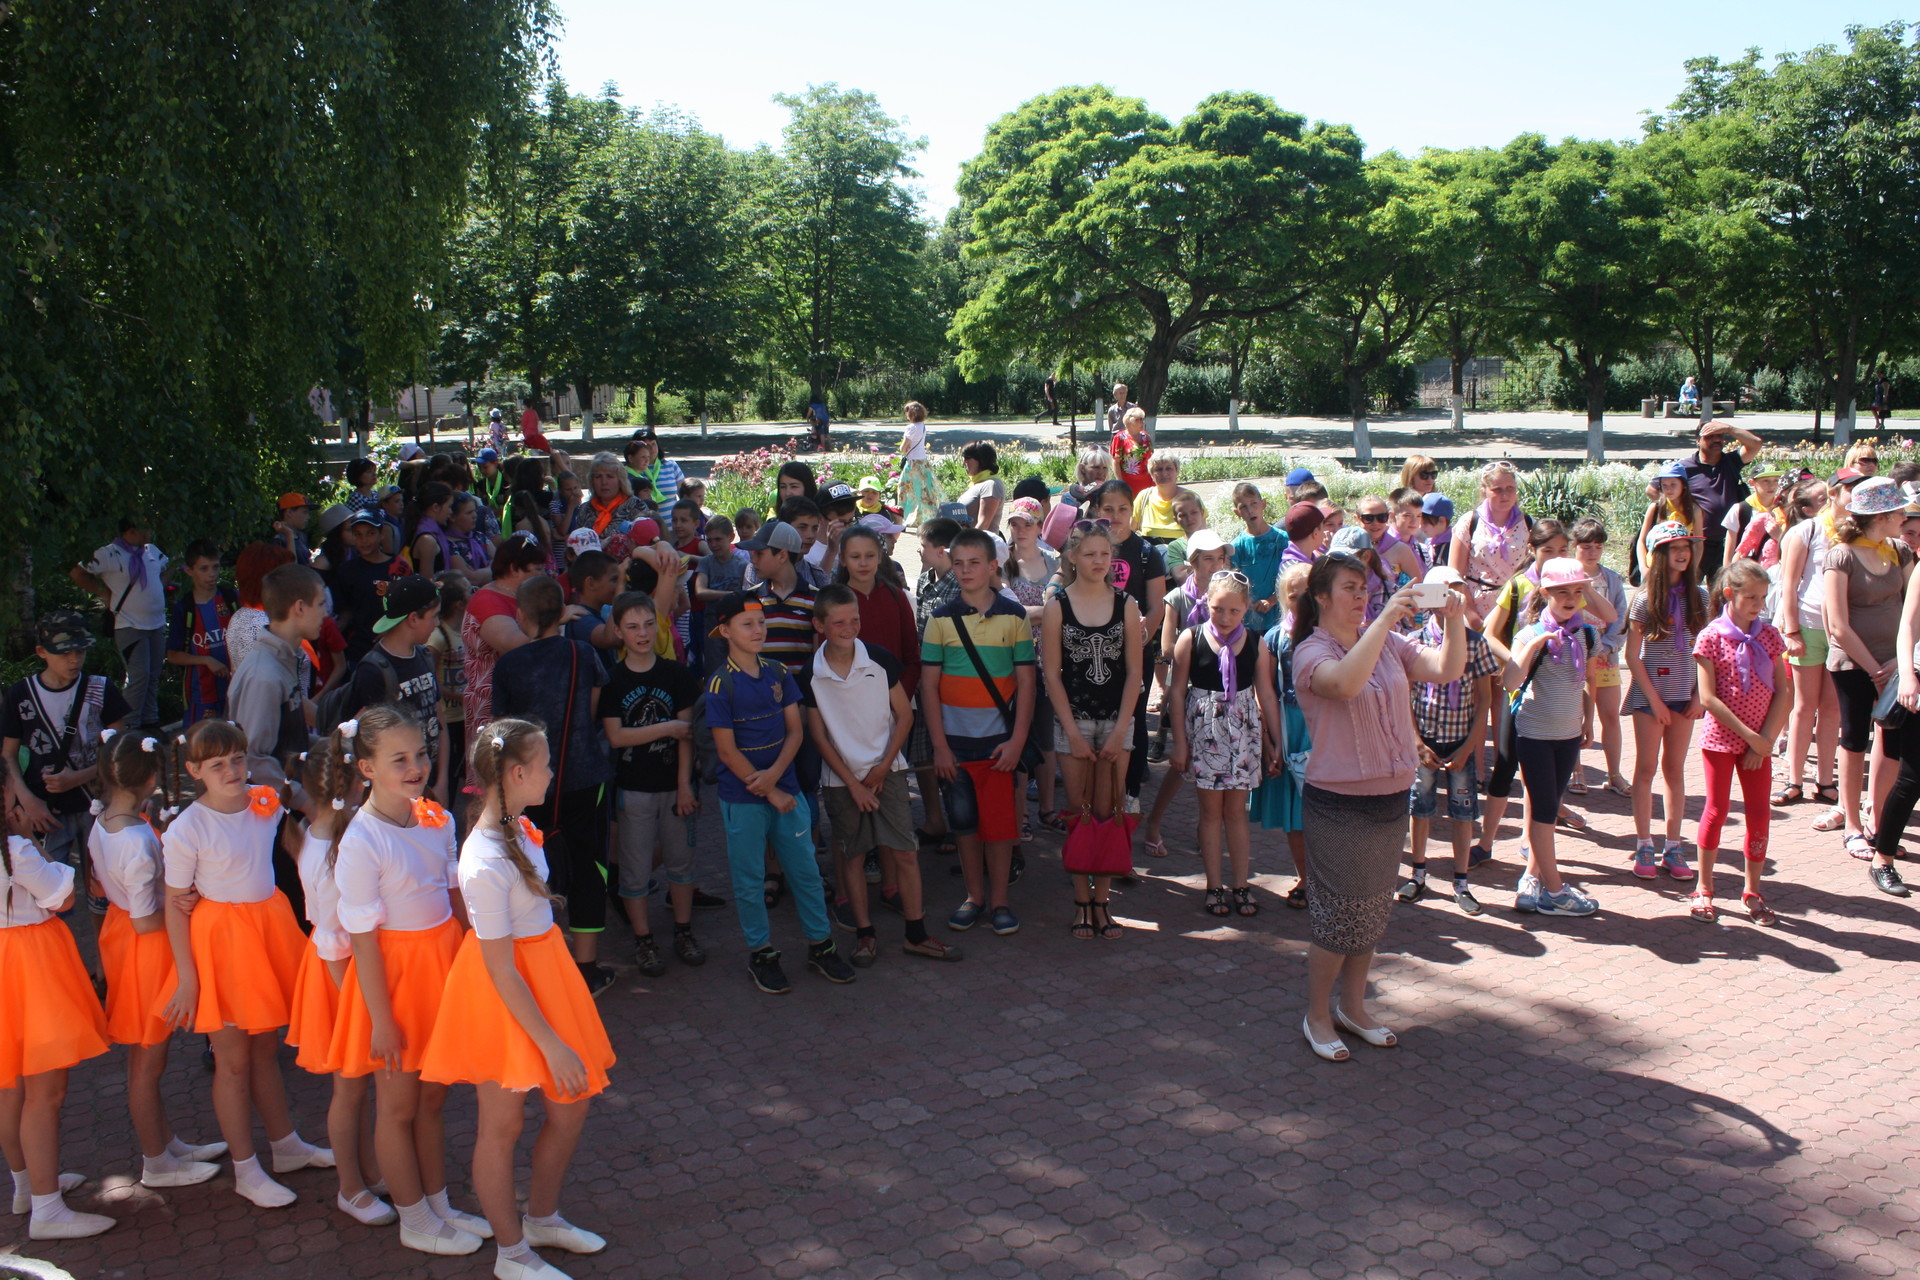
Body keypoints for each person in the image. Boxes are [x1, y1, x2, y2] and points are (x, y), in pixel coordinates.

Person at [419, 719, 617, 1280]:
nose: (553, 773)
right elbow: (500, 969)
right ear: (517, 774)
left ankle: (543, 1217)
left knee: (570, 1107)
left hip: (547, 974)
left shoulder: (519, 827)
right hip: (503, 993)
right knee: (501, 1126)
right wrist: (551, 1045)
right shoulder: (483, 860)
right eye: (547, 763)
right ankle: (512, 1253)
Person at [325, 707, 490, 1256]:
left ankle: (437, 1201)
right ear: (367, 767)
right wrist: (381, 1019)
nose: (416, 766)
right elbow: (364, 942)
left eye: (420, 754)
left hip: (441, 969)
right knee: (396, 1107)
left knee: (434, 1100)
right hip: (393, 983)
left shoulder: (436, 819)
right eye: (400, 759)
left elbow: (454, 897)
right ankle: (413, 1216)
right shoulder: (360, 841)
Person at [1292, 555, 1465, 1062]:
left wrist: (1454, 619)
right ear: (1321, 596)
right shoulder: (1309, 652)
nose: (1361, 597)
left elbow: (1446, 667)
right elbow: (1343, 684)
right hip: (1339, 804)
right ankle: (1317, 1014)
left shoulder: (1385, 641)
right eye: (1350, 588)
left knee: (1371, 913)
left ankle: (1353, 1007)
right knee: (1337, 917)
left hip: (1390, 798)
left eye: (1365, 588)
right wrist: (1386, 618)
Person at [157, 717, 331, 1208]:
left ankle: (286, 1145)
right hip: (222, 944)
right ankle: (245, 1168)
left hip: (267, 928)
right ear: (195, 770)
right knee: (232, 1062)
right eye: (217, 765)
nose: (232, 770)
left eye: (237, 759)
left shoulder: (264, 802)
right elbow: (175, 905)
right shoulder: (187, 828)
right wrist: (189, 979)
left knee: (263, 1050)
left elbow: (299, 839)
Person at [86, 732, 226, 1194]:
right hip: (144, 950)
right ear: (149, 778)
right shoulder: (132, 840)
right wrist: (181, 900)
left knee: (145, 1060)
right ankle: (156, 1160)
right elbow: (147, 921)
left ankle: (166, 1144)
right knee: (148, 1062)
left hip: (124, 941)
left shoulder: (105, 821)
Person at [704, 593, 855, 992]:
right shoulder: (720, 683)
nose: (758, 631)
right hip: (745, 799)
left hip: (784, 789)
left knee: (805, 871)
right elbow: (725, 750)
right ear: (725, 631)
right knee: (750, 879)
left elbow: (796, 731)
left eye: (761, 623)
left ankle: (820, 945)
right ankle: (762, 954)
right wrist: (768, 789)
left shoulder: (779, 673)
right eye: (747, 624)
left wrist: (774, 777)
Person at [805, 585, 959, 964]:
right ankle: (864, 934)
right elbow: (818, 735)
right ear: (819, 625)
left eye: (854, 619)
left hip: (887, 772)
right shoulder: (812, 672)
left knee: (905, 853)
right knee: (853, 857)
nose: (848, 627)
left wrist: (884, 765)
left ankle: (916, 933)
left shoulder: (880, 659)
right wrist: (855, 784)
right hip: (841, 781)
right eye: (838, 622)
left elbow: (904, 716)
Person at [281, 741, 391, 1227]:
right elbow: (330, 938)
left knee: (361, 1085)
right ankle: (350, 1187)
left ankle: (368, 1170)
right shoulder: (324, 849)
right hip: (340, 981)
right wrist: (360, 1004)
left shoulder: (330, 835)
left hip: (351, 973)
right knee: (348, 1090)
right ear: (351, 785)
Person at [490, 576, 615, 996]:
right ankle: (587, 968)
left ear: (522, 617)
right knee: (589, 866)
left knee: (526, 868)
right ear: (563, 611)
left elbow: (501, 731)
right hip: (584, 776)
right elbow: (593, 705)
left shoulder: (509, 664)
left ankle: (535, 964)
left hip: (528, 785)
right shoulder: (582, 652)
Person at [0, 805, 114, 1240]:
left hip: (8, 966)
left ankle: (28, 1187)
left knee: (12, 1085)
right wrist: (33, 843)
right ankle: (47, 1209)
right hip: (31, 968)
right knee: (45, 1092)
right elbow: (62, 898)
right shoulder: (15, 851)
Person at [922, 529, 1036, 937]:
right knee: (965, 825)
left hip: (999, 745)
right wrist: (939, 746)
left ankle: (1001, 900)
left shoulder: (1014, 616)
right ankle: (974, 896)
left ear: (993, 567)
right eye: (958, 563)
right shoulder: (939, 621)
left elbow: (1026, 684)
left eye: (975, 562)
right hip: (955, 746)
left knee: (1001, 828)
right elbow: (928, 687)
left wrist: (1018, 741)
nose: (966, 570)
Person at [2, 610, 130, 960]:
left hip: (98, 804)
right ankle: (65, 966)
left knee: (102, 890)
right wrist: (27, 801)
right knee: (49, 894)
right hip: (45, 812)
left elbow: (119, 745)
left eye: (80, 651)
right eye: (64, 652)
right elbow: (8, 754)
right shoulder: (20, 695)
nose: (74, 659)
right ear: (41, 652)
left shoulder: (101, 688)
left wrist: (82, 775)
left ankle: (106, 967)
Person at [1042, 525, 1142, 938]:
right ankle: (1081, 901)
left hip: (1117, 720)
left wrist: (1121, 729)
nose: (1098, 561)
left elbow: (1136, 672)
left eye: (1104, 553)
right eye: (1089, 554)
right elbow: (1052, 674)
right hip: (1075, 720)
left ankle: (1103, 901)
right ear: (1072, 558)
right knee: (1079, 811)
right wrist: (1073, 731)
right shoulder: (1057, 606)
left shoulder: (1126, 604)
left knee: (1109, 810)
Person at [602, 593, 704, 977]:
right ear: (618, 632)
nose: (642, 633)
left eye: (648, 624)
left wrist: (684, 785)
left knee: (681, 862)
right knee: (634, 868)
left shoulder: (674, 673)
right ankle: (643, 938)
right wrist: (667, 728)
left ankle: (682, 929)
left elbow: (688, 735)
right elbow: (616, 736)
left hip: (672, 785)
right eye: (632, 627)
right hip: (634, 787)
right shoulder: (612, 679)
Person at [1690, 559, 1793, 922]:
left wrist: (1764, 739)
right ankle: (1704, 887)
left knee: (1759, 813)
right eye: (1750, 597)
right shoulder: (1711, 636)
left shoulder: (1768, 635)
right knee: (1716, 811)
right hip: (1721, 740)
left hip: (1758, 745)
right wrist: (1748, 736)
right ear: (1730, 594)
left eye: (1762, 597)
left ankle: (1752, 890)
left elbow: (1783, 691)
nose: (1757, 605)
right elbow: (1708, 698)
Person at [1821, 476, 1916, 862]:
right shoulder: (1840, 555)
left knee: (1891, 742)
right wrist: (1875, 667)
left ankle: (1879, 821)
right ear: (1881, 515)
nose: (1905, 519)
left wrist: (1900, 661)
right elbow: (1838, 625)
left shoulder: (1898, 551)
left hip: (1896, 665)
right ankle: (1852, 825)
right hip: (1853, 664)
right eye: (1899, 512)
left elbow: (1913, 607)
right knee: (1855, 738)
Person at [1396, 567, 1500, 915]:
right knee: (1419, 807)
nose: (1447, 598)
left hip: (1460, 742)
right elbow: (1405, 694)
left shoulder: (1475, 642)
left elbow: (1484, 698)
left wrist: (1470, 747)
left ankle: (1461, 881)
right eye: (1440, 591)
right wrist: (1415, 742)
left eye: (1455, 589)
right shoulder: (1415, 639)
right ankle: (1418, 874)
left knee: (1463, 810)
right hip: (1425, 741)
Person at [1505, 559, 1603, 916]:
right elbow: (1509, 681)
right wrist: (1535, 646)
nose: (1571, 598)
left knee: (1544, 810)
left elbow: (1587, 682)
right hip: (1534, 735)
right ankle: (1556, 891)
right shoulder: (1529, 634)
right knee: (1546, 813)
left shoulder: (1587, 634)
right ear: (1545, 592)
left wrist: (1588, 721)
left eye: (1577, 591)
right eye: (1562, 591)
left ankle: (1530, 880)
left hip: (1568, 735)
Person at [1169, 570, 1263, 917]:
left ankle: (1241, 884)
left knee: (1236, 813)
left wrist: (1272, 740)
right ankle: (1214, 886)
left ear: (1246, 609)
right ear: (1206, 602)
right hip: (1206, 732)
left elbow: (1264, 690)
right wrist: (1180, 743)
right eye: (1218, 609)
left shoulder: (1255, 641)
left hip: (1242, 733)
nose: (1225, 618)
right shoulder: (1190, 638)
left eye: (1234, 611)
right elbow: (1177, 692)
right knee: (1210, 814)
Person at [1625, 521, 1709, 878]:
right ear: (1658, 555)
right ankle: (1644, 844)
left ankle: (1673, 846)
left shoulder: (1701, 597)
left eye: (1687, 546)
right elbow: (1632, 656)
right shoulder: (1644, 599)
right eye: (1674, 547)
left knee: (1675, 770)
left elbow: (1707, 652)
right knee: (1646, 769)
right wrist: (1655, 702)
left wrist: (1700, 694)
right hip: (1650, 699)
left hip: (1685, 697)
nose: (1683, 553)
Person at [1775, 474, 1845, 817]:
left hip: (1841, 631)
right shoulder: (1807, 531)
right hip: (1808, 626)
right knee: (1803, 706)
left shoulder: (1852, 532)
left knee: (1832, 708)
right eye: (1823, 494)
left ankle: (1825, 780)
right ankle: (1794, 779)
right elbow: (1788, 584)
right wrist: (1791, 630)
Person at [340, 575, 447, 799]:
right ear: (413, 619)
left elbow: (439, 720)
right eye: (434, 616)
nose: (437, 624)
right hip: (396, 791)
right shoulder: (373, 670)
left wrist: (442, 781)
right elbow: (360, 738)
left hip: (429, 780)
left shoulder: (424, 656)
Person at [1250, 563, 1315, 908]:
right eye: (1293, 594)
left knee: (1329, 810)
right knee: (1295, 813)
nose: (1301, 600)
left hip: (1324, 729)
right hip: (1289, 729)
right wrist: (1273, 742)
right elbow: (1267, 694)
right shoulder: (1273, 639)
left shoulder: (1334, 634)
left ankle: (1332, 879)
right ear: (1282, 599)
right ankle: (1306, 878)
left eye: (1308, 592)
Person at [227, 565, 325, 790]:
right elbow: (253, 761)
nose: (325, 613)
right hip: (274, 811)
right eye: (320, 604)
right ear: (299, 607)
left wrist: (334, 745)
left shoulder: (286, 657)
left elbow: (288, 741)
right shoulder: (263, 675)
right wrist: (304, 803)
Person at [71, 521, 169, 731]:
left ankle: (150, 721)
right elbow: (77, 573)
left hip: (157, 623)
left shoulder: (151, 550)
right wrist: (103, 592)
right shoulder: (108, 554)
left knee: (153, 674)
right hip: (129, 624)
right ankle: (130, 727)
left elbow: (162, 573)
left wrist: (162, 588)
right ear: (131, 531)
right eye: (146, 527)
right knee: (139, 675)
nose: (150, 531)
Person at [1570, 518, 1631, 796]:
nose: (1592, 552)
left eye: (1598, 546)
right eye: (1586, 546)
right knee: (1575, 716)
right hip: (1573, 656)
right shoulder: (1567, 576)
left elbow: (1620, 617)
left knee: (1610, 715)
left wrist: (1607, 645)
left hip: (1605, 656)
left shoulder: (1612, 578)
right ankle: (1576, 771)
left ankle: (1614, 774)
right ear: (1574, 547)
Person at [462, 535, 547, 737]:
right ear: (514, 568)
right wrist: (556, 620)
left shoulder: (522, 597)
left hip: (517, 702)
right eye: (537, 569)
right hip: (491, 707)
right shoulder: (487, 600)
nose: (544, 575)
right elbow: (513, 644)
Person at [1678, 418, 1764, 583]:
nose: (1717, 440)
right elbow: (1654, 490)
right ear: (1698, 440)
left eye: (1720, 436)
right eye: (1710, 436)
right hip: (1697, 542)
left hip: (1728, 541)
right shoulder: (1685, 468)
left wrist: (1729, 428)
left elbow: (1756, 444)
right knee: (1688, 592)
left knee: (1722, 593)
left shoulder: (1731, 461)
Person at [1449, 461, 1531, 625]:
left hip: (1517, 607)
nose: (1505, 495)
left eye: (1510, 489)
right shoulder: (1470, 522)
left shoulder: (1528, 524)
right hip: (1477, 607)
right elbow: (1454, 575)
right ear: (1484, 490)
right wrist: (1471, 615)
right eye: (1497, 490)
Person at [1724, 462, 1787, 568]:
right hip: (1745, 570)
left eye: (1776, 480)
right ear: (1752, 483)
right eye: (1765, 481)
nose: (1772, 486)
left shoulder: (1783, 510)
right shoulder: (1740, 509)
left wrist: (1779, 536)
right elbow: (1729, 550)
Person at [892, 402, 940, 528]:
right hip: (923, 462)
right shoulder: (922, 426)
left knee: (906, 490)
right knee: (924, 490)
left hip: (913, 463)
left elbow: (903, 447)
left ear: (911, 413)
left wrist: (904, 446)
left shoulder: (911, 427)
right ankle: (927, 515)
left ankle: (906, 516)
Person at [1639, 461, 1704, 554]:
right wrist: (1643, 566)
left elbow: (1699, 545)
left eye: (1673, 484)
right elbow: (1642, 541)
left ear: (1683, 485)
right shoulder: (1655, 508)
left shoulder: (1694, 510)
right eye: (1664, 485)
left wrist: (1694, 567)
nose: (1669, 489)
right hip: (1656, 560)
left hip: (1681, 561)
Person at [1131, 455, 1188, 543]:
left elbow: (1200, 534)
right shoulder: (1143, 497)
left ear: (1177, 471)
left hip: (1181, 555)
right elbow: (1129, 532)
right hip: (1149, 555)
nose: (1164, 473)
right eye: (1159, 469)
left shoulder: (1189, 498)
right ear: (1151, 474)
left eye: (1169, 468)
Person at [1161, 491, 1212, 587]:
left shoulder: (1214, 540)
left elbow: (1223, 571)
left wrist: (1190, 568)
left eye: (1194, 512)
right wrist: (1210, 566)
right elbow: (1181, 578)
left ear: (1202, 513)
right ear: (1176, 519)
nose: (1189, 518)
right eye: (1183, 515)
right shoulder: (1175, 546)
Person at [625, 427, 682, 506]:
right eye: (647, 445)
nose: (651, 448)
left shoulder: (671, 465)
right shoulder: (631, 472)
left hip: (671, 518)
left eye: (653, 444)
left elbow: (684, 496)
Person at [958, 442, 1005, 536]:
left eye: (967, 458)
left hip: (981, 546)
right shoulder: (977, 483)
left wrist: (966, 544)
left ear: (980, 459)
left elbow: (984, 524)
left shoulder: (991, 485)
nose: (964, 462)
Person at [1111, 406, 1153, 497]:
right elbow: (1115, 462)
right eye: (1139, 420)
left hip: (1147, 480)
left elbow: (1152, 457)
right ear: (1130, 421)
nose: (1143, 422)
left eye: (1143, 419)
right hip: (1128, 482)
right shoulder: (1119, 438)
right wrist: (1120, 483)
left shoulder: (1146, 436)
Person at [1282, 502, 1326, 571]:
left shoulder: (1292, 562)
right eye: (1323, 527)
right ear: (1316, 533)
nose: (1325, 533)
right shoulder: (1299, 573)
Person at [272, 493, 314, 565]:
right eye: (304, 512)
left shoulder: (301, 536)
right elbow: (290, 570)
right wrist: (289, 534)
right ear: (289, 513)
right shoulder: (279, 540)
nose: (308, 517)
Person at [1419, 494, 1456, 570]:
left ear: (1441, 520)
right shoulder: (1430, 543)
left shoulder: (1452, 546)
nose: (1420, 526)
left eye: (1425, 522)